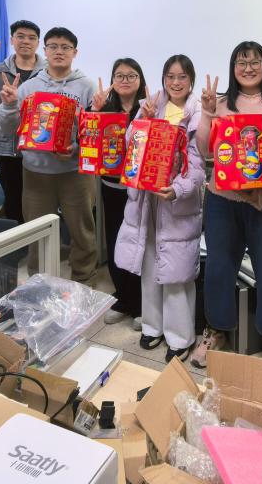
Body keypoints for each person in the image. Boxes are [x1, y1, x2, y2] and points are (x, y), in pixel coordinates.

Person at [191, 41, 262, 365]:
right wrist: (208, 113)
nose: (248, 68)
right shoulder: (221, 102)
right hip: (223, 201)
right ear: (233, 67)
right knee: (219, 269)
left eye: (254, 62)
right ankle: (216, 329)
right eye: (241, 62)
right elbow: (206, 151)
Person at [115, 55, 205, 362]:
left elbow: (198, 162)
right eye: (170, 77)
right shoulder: (153, 104)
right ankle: (152, 327)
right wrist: (145, 119)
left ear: (191, 80)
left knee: (177, 271)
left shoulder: (196, 112)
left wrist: (179, 189)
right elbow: (132, 144)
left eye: (182, 77)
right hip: (146, 200)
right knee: (149, 265)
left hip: (175, 202)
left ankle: (180, 337)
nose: (175, 83)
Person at [0, 27, 97, 282]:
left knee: (82, 230)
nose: (59, 51)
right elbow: (9, 129)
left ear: (75, 52)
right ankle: (40, 283)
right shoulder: (28, 87)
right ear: (45, 50)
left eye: (65, 47)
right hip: (35, 172)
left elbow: (94, 133)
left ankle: (83, 278)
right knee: (38, 231)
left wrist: (75, 149)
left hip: (75, 172)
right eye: (53, 46)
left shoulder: (87, 86)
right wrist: (9, 105)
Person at [90, 58, 148, 327]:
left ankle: (141, 304)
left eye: (131, 75)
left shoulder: (148, 108)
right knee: (115, 242)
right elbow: (86, 141)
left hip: (139, 190)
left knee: (139, 244)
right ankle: (123, 298)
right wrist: (94, 111)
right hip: (111, 186)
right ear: (113, 80)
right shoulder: (104, 107)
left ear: (140, 80)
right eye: (119, 76)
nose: (125, 80)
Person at [0, 20, 45, 224]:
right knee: (13, 201)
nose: (26, 41)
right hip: (7, 148)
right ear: (12, 40)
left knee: (39, 203)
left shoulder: (48, 72)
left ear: (38, 43)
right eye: (20, 36)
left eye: (31, 38)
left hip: (40, 148)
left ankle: (39, 238)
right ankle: (19, 240)